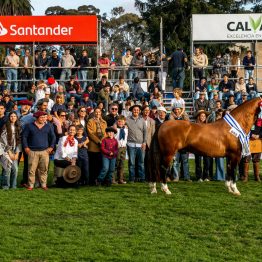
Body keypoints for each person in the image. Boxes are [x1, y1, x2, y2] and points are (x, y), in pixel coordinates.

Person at [22, 111, 56, 190]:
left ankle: (43, 185)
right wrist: (26, 147)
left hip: (45, 151)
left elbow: (53, 137)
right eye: (41, 117)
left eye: (44, 117)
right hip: (32, 151)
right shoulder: (29, 126)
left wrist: (51, 147)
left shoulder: (48, 126)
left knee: (44, 169)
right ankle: (31, 185)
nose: (43, 119)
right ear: (37, 118)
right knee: (31, 170)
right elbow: (24, 137)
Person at [0, 111, 21, 189]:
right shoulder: (5, 127)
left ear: (17, 117)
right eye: (11, 116)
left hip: (15, 149)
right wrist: (9, 152)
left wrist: (17, 153)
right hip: (4, 150)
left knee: (15, 168)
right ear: (9, 117)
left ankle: (13, 186)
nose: (13, 118)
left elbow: (19, 141)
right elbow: (3, 140)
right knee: (7, 169)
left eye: (14, 116)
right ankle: (5, 186)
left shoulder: (18, 127)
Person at [170, 105, 191, 182]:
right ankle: (176, 177)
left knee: (185, 162)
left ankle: (187, 177)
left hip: (184, 144)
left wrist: (182, 113)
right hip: (175, 144)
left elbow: (188, 122)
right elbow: (170, 121)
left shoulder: (184, 118)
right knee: (175, 162)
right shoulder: (172, 117)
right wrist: (174, 115)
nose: (177, 111)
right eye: (175, 109)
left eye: (178, 109)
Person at [126, 104, 147, 182]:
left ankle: (142, 178)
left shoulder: (142, 120)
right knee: (131, 163)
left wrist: (144, 142)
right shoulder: (127, 119)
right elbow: (118, 123)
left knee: (141, 163)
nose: (136, 111)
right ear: (132, 110)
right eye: (134, 110)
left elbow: (145, 132)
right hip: (130, 145)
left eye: (137, 110)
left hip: (140, 145)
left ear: (139, 111)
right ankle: (132, 178)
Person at [242, 102, 262, 182]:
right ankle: (245, 177)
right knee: (246, 159)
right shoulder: (248, 119)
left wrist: (259, 136)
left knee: (256, 159)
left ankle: (257, 177)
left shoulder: (261, 120)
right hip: (248, 140)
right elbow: (244, 129)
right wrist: (251, 135)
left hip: (258, 141)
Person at [87, 107, 107, 185]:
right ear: (94, 113)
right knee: (93, 165)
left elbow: (105, 133)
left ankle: (98, 181)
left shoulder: (104, 122)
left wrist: (103, 142)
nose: (97, 113)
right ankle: (92, 181)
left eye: (99, 112)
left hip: (102, 147)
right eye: (96, 112)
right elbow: (90, 133)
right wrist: (99, 142)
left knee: (100, 165)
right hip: (93, 147)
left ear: (101, 113)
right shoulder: (90, 121)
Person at [194, 110, 211, 182]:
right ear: (199, 117)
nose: (203, 117)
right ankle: (199, 177)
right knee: (198, 162)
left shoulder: (209, 125)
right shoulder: (195, 125)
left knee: (207, 162)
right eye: (201, 116)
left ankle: (206, 176)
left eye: (204, 116)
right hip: (197, 146)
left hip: (206, 146)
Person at [114, 115, 128, 184]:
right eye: (119, 121)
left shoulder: (126, 129)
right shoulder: (115, 129)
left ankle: (120, 179)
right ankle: (113, 179)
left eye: (122, 121)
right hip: (117, 148)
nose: (120, 123)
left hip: (124, 147)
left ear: (124, 122)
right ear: (116, 122)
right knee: (116, 163)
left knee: (122, 164)